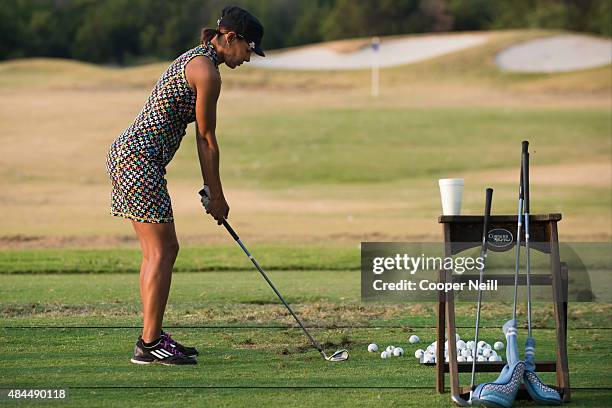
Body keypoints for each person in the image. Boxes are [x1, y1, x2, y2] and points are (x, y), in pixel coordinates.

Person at [105, 6, 265, 366]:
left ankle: (151, 339)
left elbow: (201, 138)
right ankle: (149, 344)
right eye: (249, 49)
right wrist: (218, 197)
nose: (249, 58)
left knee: (156, 252)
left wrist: (212, 190)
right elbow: (206, 138)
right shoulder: (207, 72)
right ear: (230, 38)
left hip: (127, 154)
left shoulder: (196, 59)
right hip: (138, 160)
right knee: (164, 251)